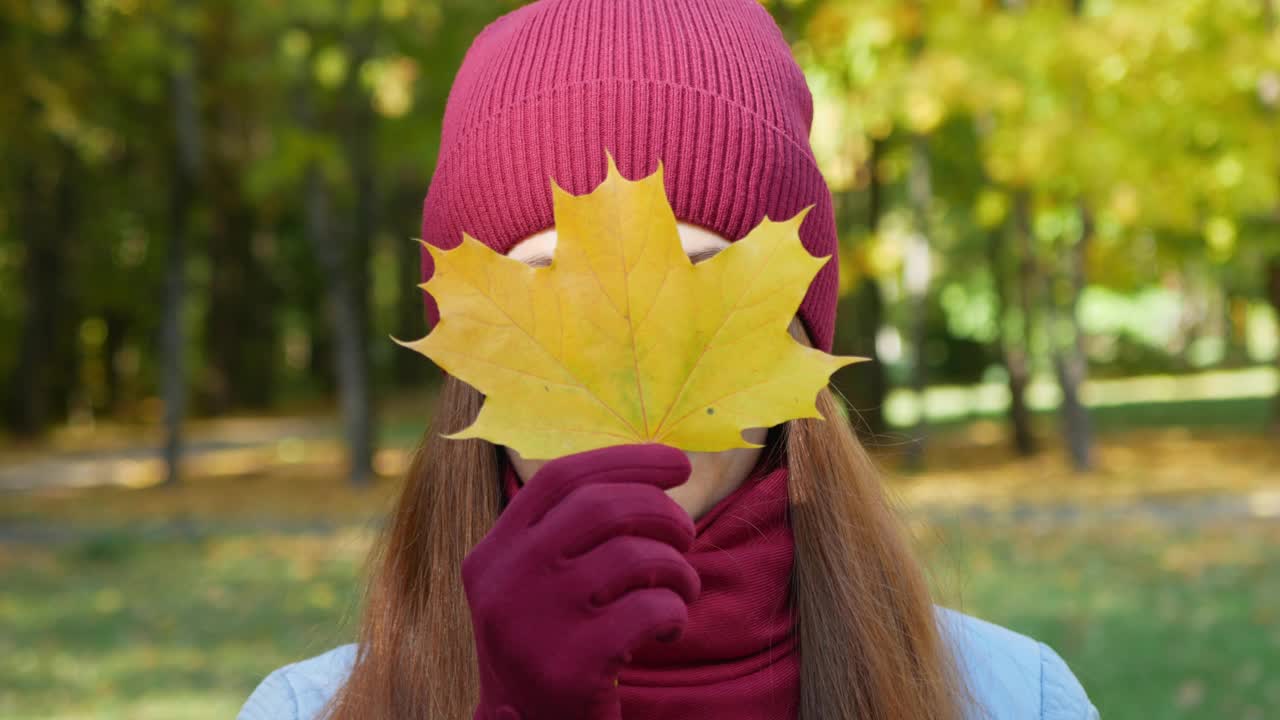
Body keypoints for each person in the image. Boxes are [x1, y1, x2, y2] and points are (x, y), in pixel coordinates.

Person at [238, 0, 1100, 718]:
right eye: (550, 282)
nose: (627, 345)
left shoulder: (1012, 699)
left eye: (702, 275)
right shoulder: (305, 709)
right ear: (470, 357)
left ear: (795, 331)